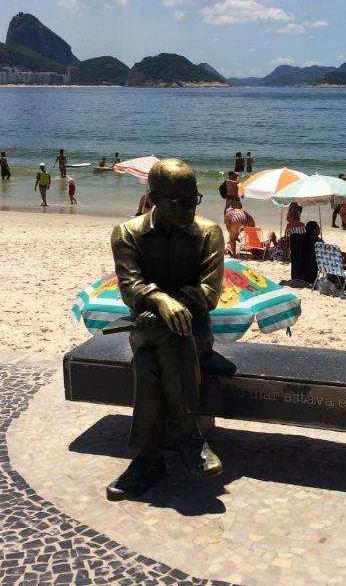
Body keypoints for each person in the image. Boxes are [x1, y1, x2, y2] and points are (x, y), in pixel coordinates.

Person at [106, 158, 225, 501]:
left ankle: (147, 459)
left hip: (195, 329)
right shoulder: (128, 233)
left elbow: (210, 293)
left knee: (150, 359)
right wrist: (159, 299)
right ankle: (189, 435)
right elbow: (130, 287)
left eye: (195, 200)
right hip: (145, 325)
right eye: (181, 202)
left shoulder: (208, 233)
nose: (190, 208)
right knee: (162, 334)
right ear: (154, 198)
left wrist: (178, 305)